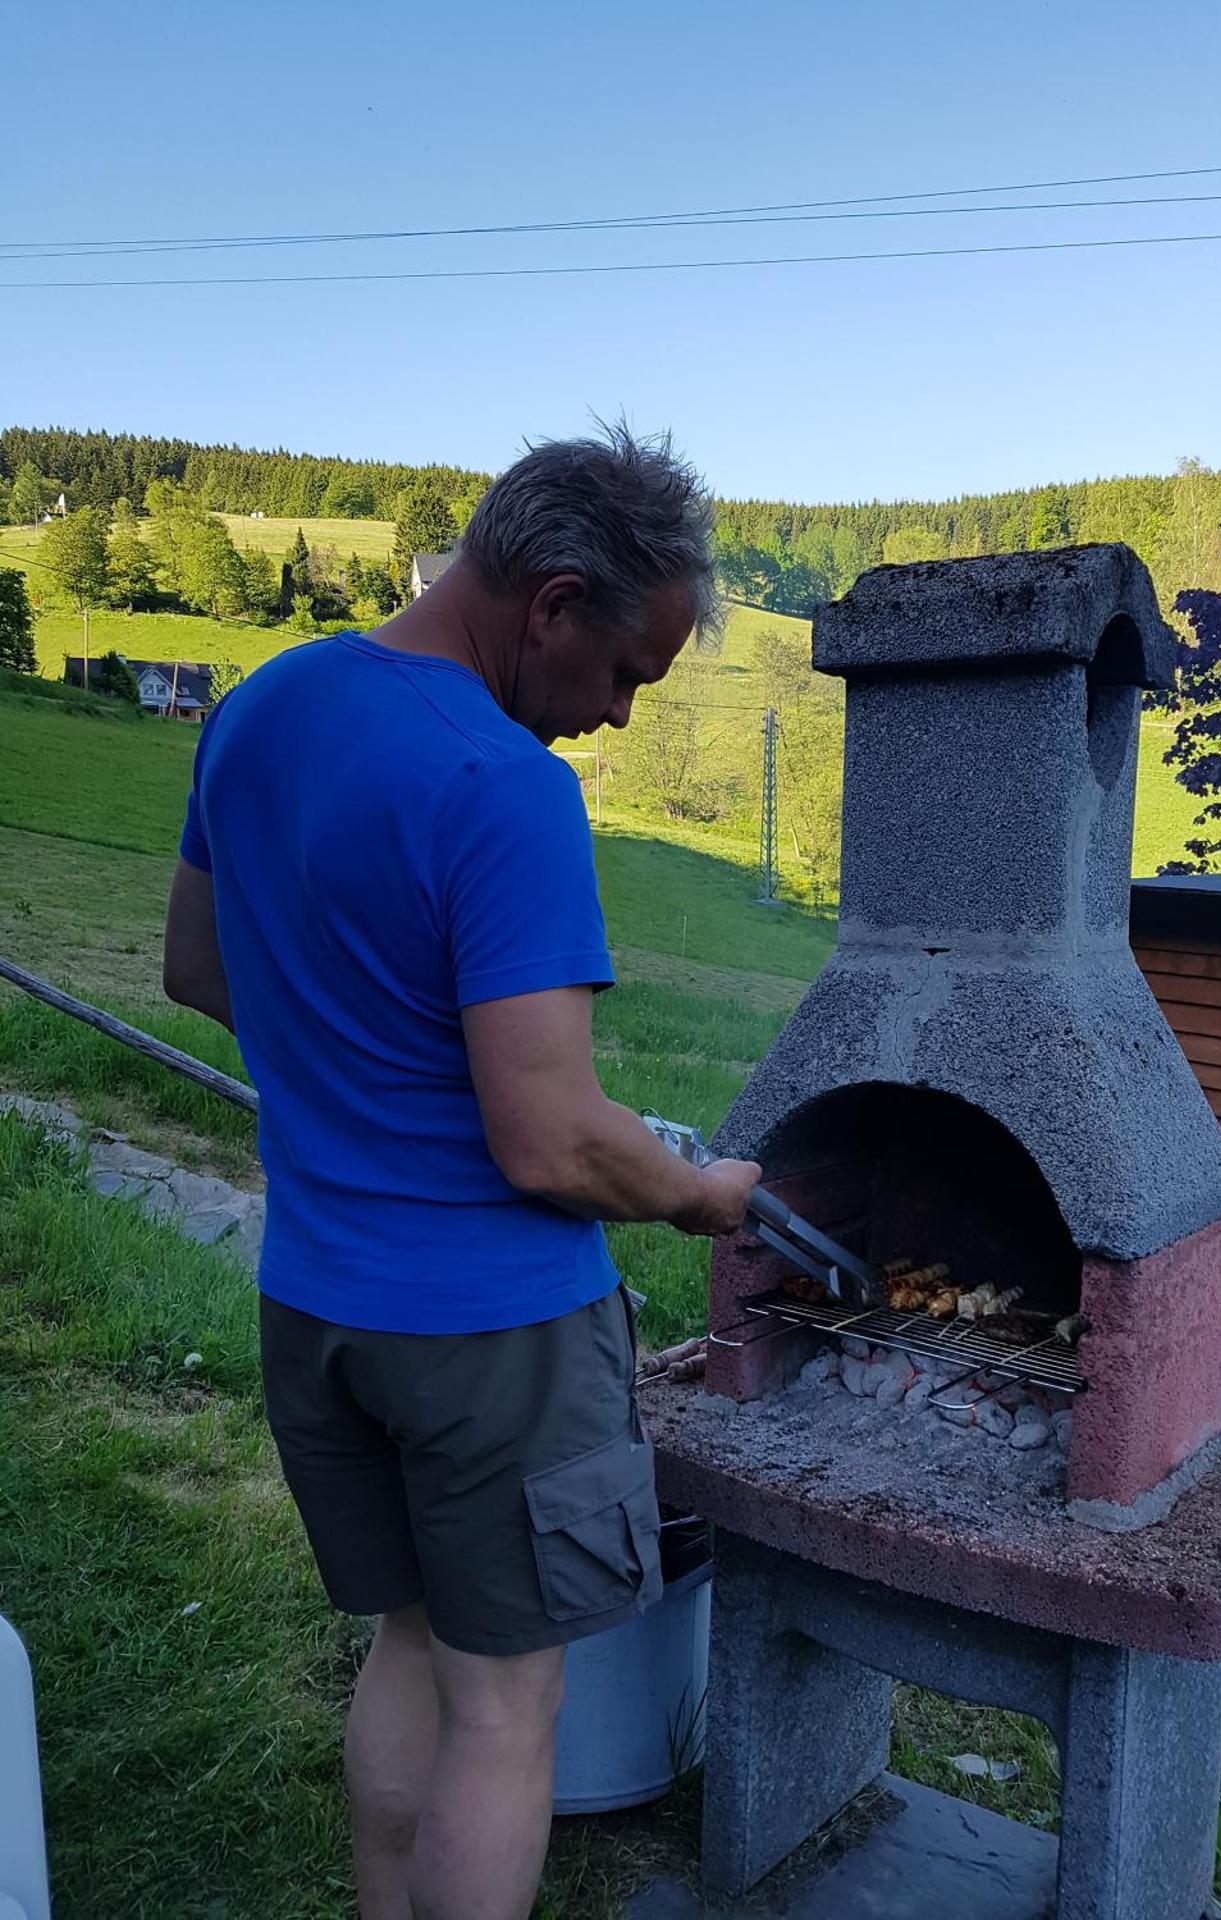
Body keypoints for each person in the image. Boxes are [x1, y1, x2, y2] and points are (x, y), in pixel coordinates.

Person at [163, 424, 761, 1920]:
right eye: (625, 673)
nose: (618, 714)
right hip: (490, 1334)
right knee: (506, 1706)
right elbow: (549, 1139)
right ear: (551, 605)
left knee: (411, 1646)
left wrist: (357, 1073)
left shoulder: (261, 708)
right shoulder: (505, 785)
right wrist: (702, 1197)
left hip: (316, 1302)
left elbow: (198, 971)